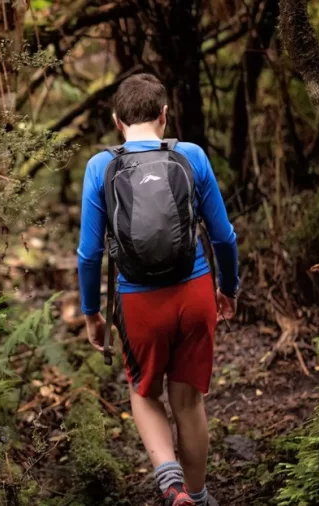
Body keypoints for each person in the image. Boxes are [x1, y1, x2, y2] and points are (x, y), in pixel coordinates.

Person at [76, 73, 239, 506]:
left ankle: (170, 484)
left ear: (117, 121)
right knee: (188, 399)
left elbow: (89, 255)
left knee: (144, 391)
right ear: (165, 115)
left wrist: (91, 313)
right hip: (195, 292)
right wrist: (229, 287)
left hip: (137, 300)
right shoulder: (192, 156)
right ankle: (200, 496)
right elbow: (224, 237)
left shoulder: (101, 166)